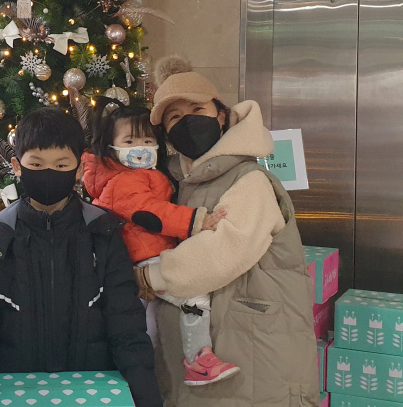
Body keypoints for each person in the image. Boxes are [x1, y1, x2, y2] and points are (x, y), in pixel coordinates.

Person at [136, 56, 319, 407]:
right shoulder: (178, 183)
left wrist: (149, 276)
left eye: (197, 109)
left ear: (221, 115)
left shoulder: (249, 180)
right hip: (210, 360)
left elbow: (222, 251)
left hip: (254, 357)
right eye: (174, 117)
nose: (187, 121)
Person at [0, 108, 161, 407]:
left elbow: (126, 326)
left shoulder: (102, 231)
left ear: (79, 168)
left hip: (91, 390)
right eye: (36, 164)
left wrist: (146, 397)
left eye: (61, 164)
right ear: (17, 166)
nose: (49, 172)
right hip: (15, 391)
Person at [80, 103, 237, 386]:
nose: (139, 147)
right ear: (111, 147)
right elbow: (150, 213)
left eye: (147, 140)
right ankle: (198, 360)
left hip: (148, 254)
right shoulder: (122, 182)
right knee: (193, 292)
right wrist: (196, 220)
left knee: (148, 326)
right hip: (143, 257)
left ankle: (144, 375)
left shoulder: (147, 174)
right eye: (129, 141)